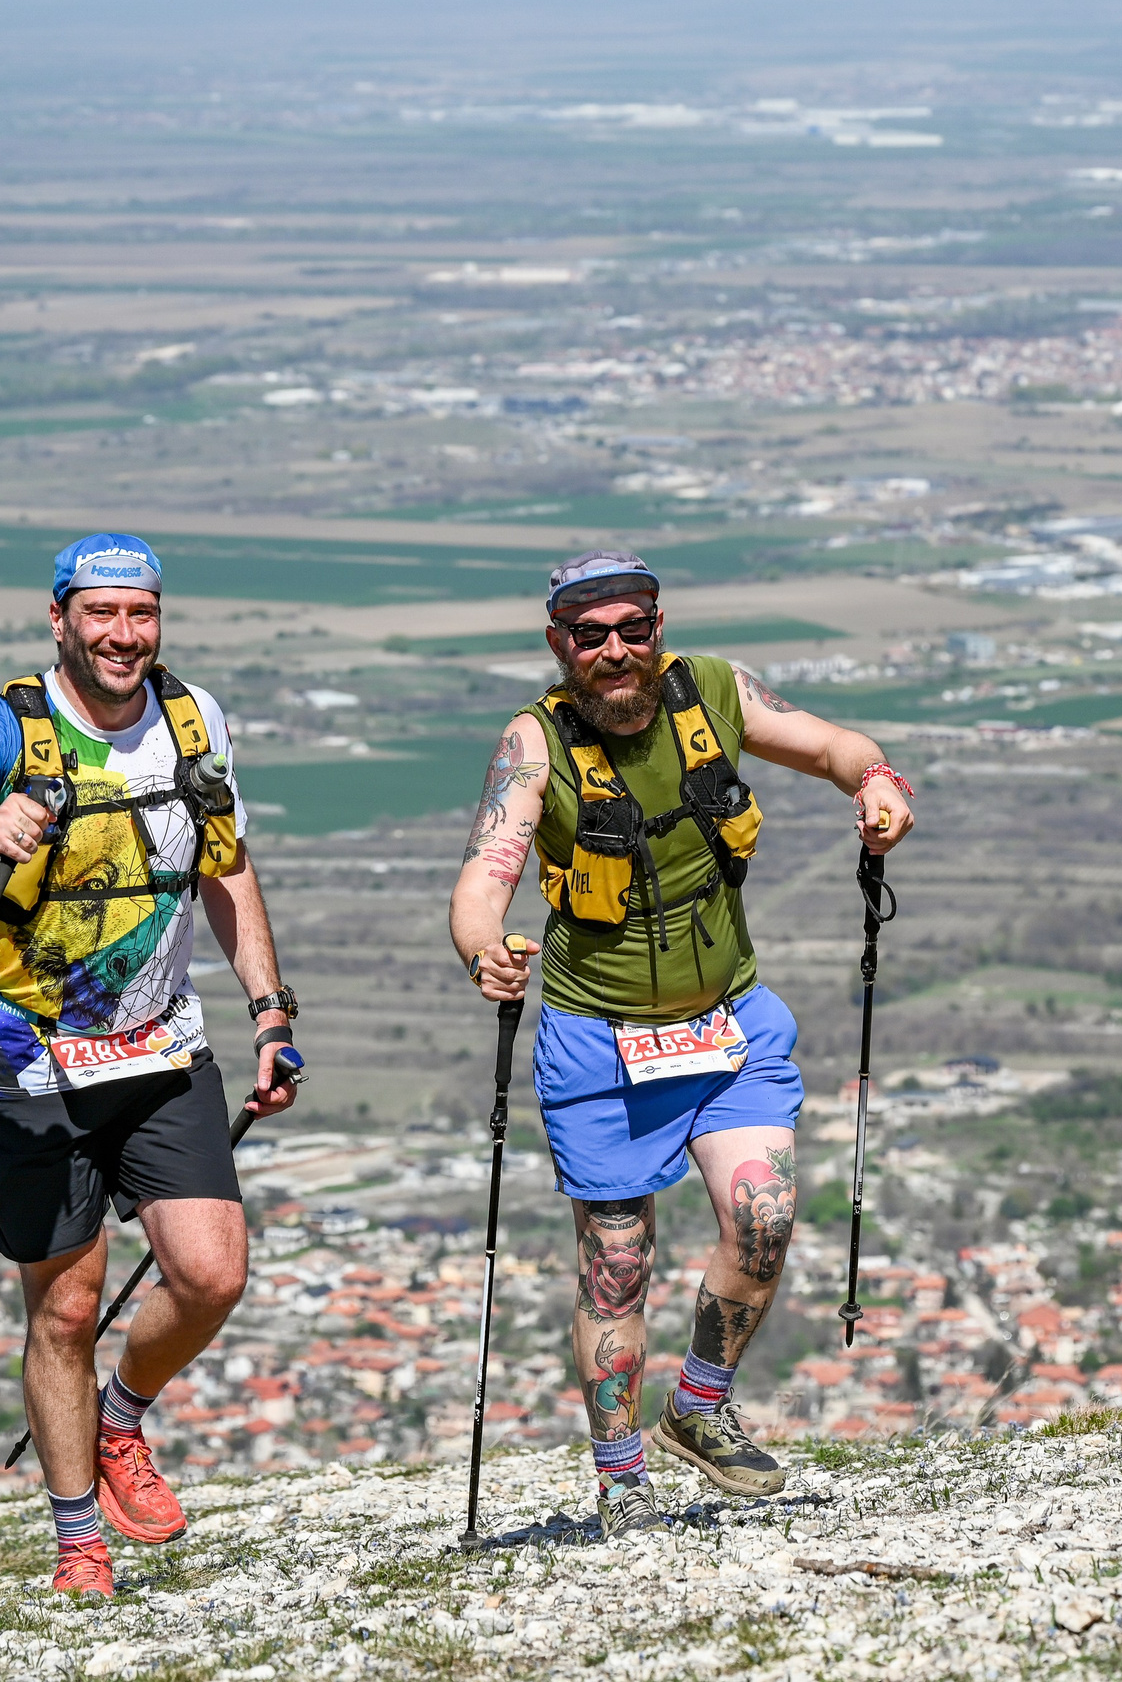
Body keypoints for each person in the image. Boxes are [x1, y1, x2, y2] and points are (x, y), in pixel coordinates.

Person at [446, 550, 915, 1540]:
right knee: (617, 1264)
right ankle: (621, 1476)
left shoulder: (714, 691)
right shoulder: (535, 742)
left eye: (633, 628)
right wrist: (486, 947)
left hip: (727, 1019)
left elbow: (833, 744)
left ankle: (698, 1404)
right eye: (591, 635)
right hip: (601, 1041)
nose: (615, 650)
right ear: (559, 643)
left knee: (764, 1217)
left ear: (658, 628)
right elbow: (486, 872)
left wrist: (875, 780)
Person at [0, 534, 300, 1597]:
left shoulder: (194, 719)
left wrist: (269, 1010)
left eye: (140, 613)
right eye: (101, 613)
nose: (123, 634)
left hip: (158, 1041)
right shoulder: (8, 724)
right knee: (66, 1308)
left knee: (212, 1272)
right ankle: (79, 1542)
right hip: (22, 1054)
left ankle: (121, 1420)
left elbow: (226, 865)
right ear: (59, 617)